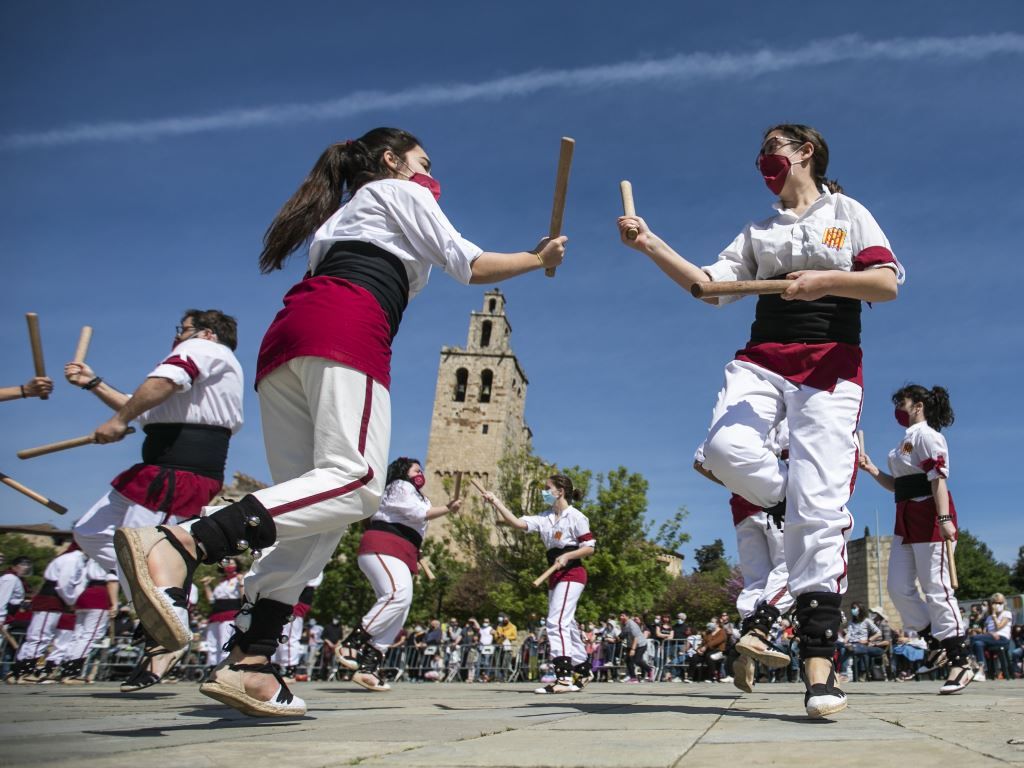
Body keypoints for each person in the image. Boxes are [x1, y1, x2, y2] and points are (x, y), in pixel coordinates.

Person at [115, 127, 566, 718]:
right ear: (390, 161)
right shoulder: (400, 193)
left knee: (311, 519)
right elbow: (470, 263)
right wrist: (539, 258)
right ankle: (183, 541)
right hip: (346, 329)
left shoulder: (346, 213)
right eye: (424, 163)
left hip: (289, 340)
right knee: (356, 483)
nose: (434, 175)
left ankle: (251, 663)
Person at [618, 123, 903, 718]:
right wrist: (649, 244)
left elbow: (886, 282)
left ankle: (821, 674)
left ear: (805, 153)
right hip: (761, 361)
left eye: (773, 147)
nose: (762, 158)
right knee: (723, 451)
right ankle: (800, 509)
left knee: (820, 517)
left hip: (830, 366)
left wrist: (824, 279)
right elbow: (707, 287)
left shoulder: (847, 212)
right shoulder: (759, 230)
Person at [68, 309, 243, 688]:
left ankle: (169, 611)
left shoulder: (203, 350)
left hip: (180, 472)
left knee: (140, 549)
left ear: (206, 333)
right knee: (90, 532)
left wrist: (118, 421)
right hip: (158, 468)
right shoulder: (203, 366)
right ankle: (169, 595)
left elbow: (162, 383)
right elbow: (144, 406)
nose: (178, 336)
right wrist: (93, 383)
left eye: (182, 330)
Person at [860, 384, 972, 694]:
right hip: (905, 519)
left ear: (919, 405)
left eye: (903, 402)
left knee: (938, 588)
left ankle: (961, 661)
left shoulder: (928, 436)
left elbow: (938, 480)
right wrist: (871, 470)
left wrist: (945, 519)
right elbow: (898, 485)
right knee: (897, 587)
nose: (899, 408)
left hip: (929, 518)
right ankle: (935, 641)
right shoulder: (905, 442)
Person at [337, 458, 461, 692]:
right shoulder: (399, 486)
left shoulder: (418, 495)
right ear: (404, 472)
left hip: (402, 551)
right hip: (384, 546)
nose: (421, 472)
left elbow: (412, 523)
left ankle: (369, 666)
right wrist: (448, 508)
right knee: (397, 595)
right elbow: (416, 513)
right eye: (416, 469)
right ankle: (352, 643)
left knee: (400, 610)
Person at [480, 474, 595, 693]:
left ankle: (563, 677)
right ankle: (583, 668)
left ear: (559, 491)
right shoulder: (545, 518)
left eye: (547, 488)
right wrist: (495, 501)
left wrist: (568, 556)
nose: (543, 492)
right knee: (567, 624)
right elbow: (515, 522)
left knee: (556, 622)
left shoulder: (576, 517)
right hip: (555, 575)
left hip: (572, 573)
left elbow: (589, 547)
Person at [273, 572, 322, 682]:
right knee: (280, 634)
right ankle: (279, 667)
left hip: (298, 596)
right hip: (291, 593)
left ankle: (289, 670)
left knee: (289, 636)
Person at [201, 558, 245, 672]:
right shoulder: (221, 582)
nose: (229, 565)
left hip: (230, 614)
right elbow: (211, 600)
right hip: (216, 614)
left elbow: (243, 598)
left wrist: (241, 584)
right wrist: (206, 586)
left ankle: (224, 670)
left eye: (231, 563)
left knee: (224, 642)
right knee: (212, 642)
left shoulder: (239, 579)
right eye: (226, 563)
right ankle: (212, 668)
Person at [971, 594, 1012, 680]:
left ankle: (971, 661)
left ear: (1004, 603)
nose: (997, 605)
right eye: (995, 602)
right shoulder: (988, 617)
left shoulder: (1007, 613)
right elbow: (985, 631)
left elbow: (999, 626)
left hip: (1002, 638)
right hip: (991, 638)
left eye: (1000, 602)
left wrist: (994, 615)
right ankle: (981, 671)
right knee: (978, 643)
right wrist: (991, 633)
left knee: (974, 638)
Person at [619, 612, 652, 684]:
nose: (621, 617)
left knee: (637, 660)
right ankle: (633, 678)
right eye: (620, 616)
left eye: (622, 616)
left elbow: (636, 638)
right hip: (630, 644)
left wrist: (633, 649)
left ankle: (649, 670)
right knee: (628, 660)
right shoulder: (623, 624)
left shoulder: (631, 624)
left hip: (640, 644)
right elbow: (623, 635)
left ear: (627, 617)